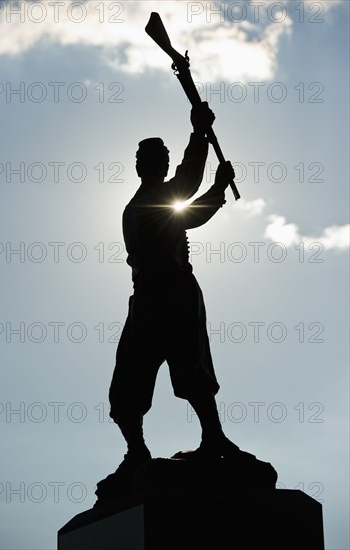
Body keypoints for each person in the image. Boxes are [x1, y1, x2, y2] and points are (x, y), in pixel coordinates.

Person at [108, 102, 239, 482]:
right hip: (152, 299)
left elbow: (185, 193)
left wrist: (203, 152)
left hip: (178, 294)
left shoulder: (155, 199)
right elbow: (188, 201)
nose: (162, 164)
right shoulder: (139, 208)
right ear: (141, 166)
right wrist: (199, 137)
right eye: (155, 158)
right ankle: (137, 451)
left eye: (164, 158)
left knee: (193, 371)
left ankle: (213, 438)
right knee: (128, 385)